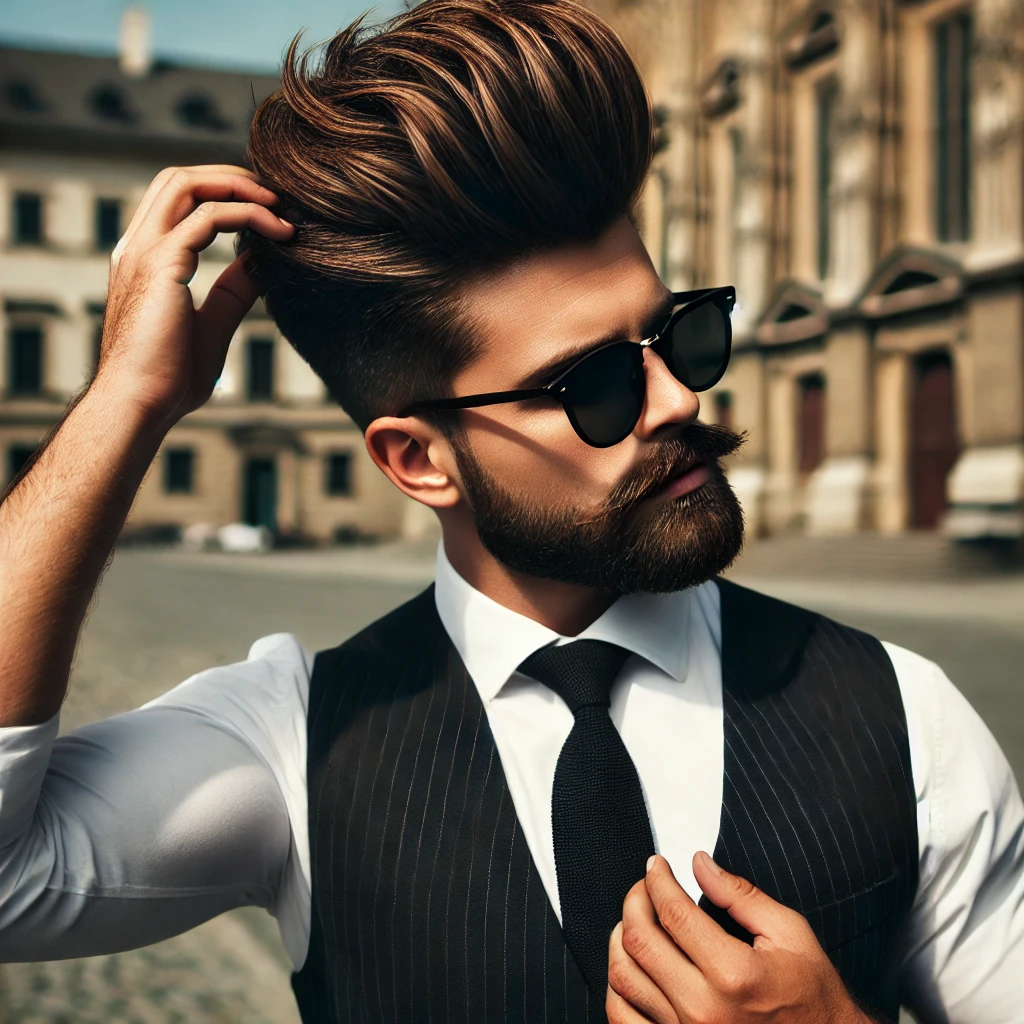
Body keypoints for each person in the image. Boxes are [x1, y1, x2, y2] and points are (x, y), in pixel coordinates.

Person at [0, 1, 1021, 1021]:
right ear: (418, 460)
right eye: (595, 387)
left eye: (677, 335)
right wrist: (124, 405)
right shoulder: (295, 740)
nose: (678, 400)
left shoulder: (905, 714)